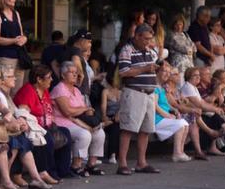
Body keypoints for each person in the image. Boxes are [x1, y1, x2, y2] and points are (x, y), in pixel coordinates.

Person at [115, 24, 162, 175]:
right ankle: (122, 163)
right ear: (137, 36)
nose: (148, 41)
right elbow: (123, 72)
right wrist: (145, 69)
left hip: (149, 94)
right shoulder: (127, 50)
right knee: (128, 129)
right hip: (134, 92)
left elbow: (152, 67)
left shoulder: (150, 50)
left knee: (145, 130)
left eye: (150, 38)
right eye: (146, 38)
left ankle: (141, 162)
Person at [14, 64, 70, 181]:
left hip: (46, 126)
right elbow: (23, 112)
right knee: (47, 138)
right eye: (49, 77)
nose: (52, 79)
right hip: (33, 128)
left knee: (65, 132)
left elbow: (48, 109)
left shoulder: (44, 91)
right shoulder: (28, 91)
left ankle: (63, 171)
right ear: (39, 79)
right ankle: (48, 172)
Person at [50, 60, 106, 176]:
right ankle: (76, 165)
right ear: (63, 75)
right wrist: (84, 111)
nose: (75, 75)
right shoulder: (59, 89)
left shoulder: (76, 90)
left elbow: (84, 109)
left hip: (77, 121)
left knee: (99, 133)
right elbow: (67, 112)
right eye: (71, 72)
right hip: (63, 123)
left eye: (76, 72)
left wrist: (86, 111)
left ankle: (91, 164)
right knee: (84, 134)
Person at [153, 62, 191, 160]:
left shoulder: (161, 87)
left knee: (185, 124)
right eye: (164, 71)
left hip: (163, 117)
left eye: (169, 72)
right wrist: (167, 115)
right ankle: (176, 153)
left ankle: (181, 151)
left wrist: (174, 110)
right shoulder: (154, 87)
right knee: (181, 124)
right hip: (157, 119)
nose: (167, 74)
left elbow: (165, 104)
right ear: (157, 72)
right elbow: (154, 106)